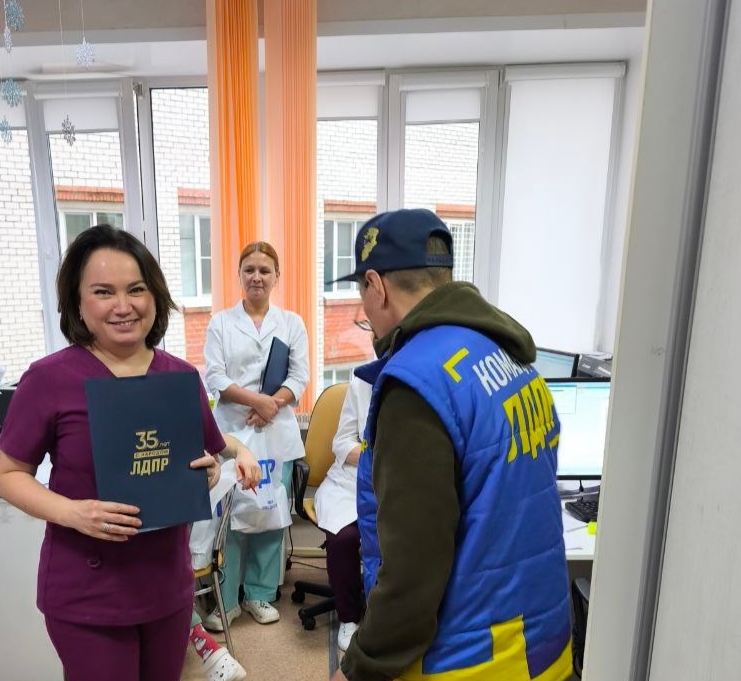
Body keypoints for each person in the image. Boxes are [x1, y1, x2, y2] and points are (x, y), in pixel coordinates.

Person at [0, 224, 261, 681]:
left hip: (166, 583)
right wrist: (73, 513)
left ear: (154, 296)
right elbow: (8, 473)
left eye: (136, 289)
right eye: (103, 292)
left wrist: (208, 472)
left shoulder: (180, 377)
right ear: (78, 302)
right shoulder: (49, 379)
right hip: (87, 588)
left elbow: (209, 456)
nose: (123, 306)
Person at [332, 209, 572, 681]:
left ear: (377, 287)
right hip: (541, 641)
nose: (365, 312)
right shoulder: (511, 359)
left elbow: (412, 572)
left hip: (468, 659)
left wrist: (361, 667)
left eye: (361, 293)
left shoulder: (416, 385)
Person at [202, 241, 309, 630]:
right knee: (229, 519)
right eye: (249, 269)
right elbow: (215, 377)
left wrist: (271, 406)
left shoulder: (292, 322)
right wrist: (258, 402)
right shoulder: (221, 323)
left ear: (277, 276)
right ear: (239, 275)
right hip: (233, 433)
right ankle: (227, 600)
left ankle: (259, 594)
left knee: (270, 514)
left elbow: (299, 376)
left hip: (276, 434)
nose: (257, 277)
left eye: (265, 270)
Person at [313, 374, 371, 653]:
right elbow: (342, 441)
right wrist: (374, 455)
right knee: (344, 538)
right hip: (350, 481)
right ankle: (348, 617)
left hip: (399, 482)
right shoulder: (363, 382)